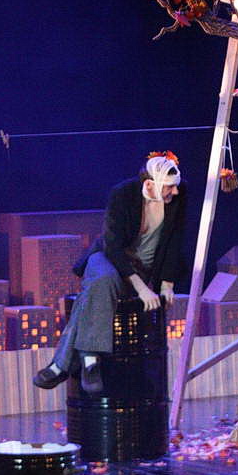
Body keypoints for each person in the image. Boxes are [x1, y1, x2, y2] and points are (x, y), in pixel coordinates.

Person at [33, 152, 187, 394]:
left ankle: (67, 363)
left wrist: (167, 283)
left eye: (175, 186)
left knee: (94, 290)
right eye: (169, 187)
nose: (175, 192)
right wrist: (142, 289)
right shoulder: (123, 194)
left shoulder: (178, 197)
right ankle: (90, 358)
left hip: (143, 266)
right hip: (108, 257)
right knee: (103, 276)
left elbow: (174, 241)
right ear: (150, 184)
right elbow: (113, 247)